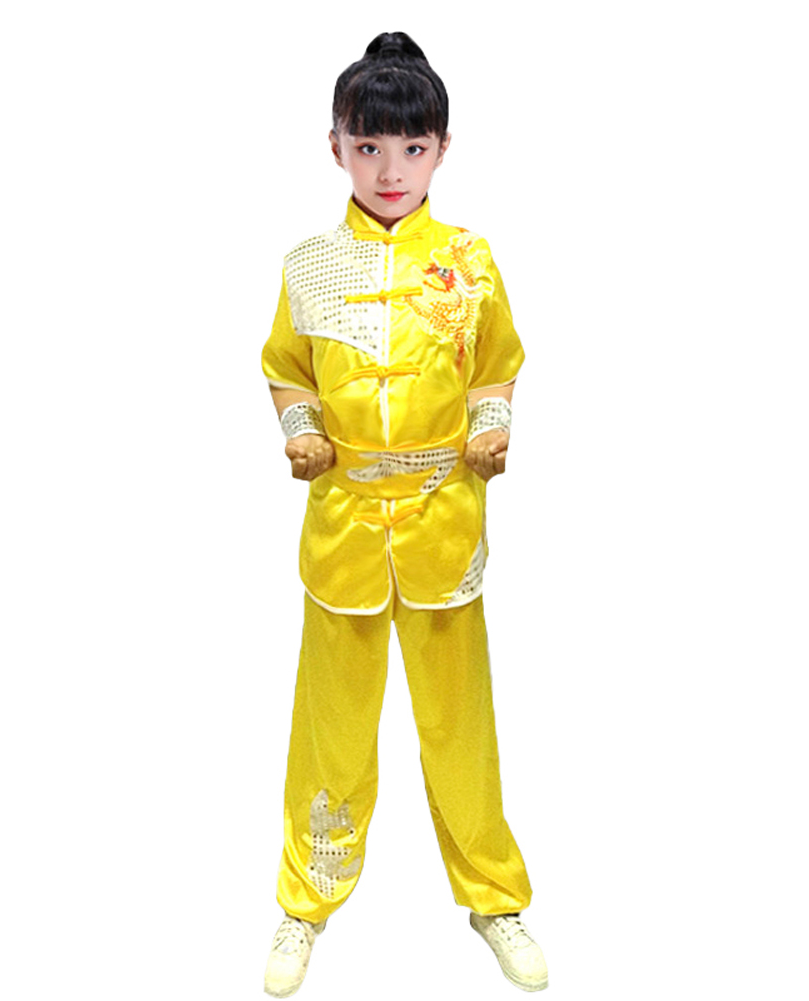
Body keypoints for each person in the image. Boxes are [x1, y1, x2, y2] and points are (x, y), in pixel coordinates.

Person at [260, 32, 548, 996]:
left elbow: (496, 365)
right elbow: (285, 368)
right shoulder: (308, 265)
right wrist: (301, 430)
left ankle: (494, 897)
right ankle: (305, 902)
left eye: (412, 147)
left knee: (460, 725)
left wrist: (492, 426)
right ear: (335, 147)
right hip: (343, 525)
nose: (391, 170)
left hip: (440, 517)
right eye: (369, 146)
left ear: (442, 149)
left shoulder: (469, 261)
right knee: (330, 727)